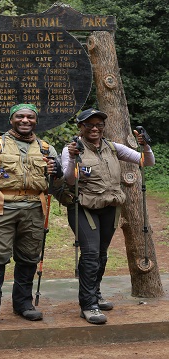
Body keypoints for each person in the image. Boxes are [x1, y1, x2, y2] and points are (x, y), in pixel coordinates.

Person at [0, 103, 63, 330]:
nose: (25, 120)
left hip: (34, 208)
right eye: (20, 116)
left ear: (36, 121)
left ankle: (23, 303)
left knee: (29, 256)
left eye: (30, 117)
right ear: (11, 119)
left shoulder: (47, 148)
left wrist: (57, 171)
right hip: (1, 206)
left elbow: (57, 183)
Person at [61, 108, 155, 325]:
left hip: (110, 206)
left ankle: (95, 292)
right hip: (83, 207)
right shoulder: (72, 149)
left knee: (101, 254)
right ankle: (88, 305)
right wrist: (74, 159)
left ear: (103, 127)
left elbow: (145, 162)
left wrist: (146, 144)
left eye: (99, 125)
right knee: (91, 253)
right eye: (89, 125)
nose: (94, 128)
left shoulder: (112, 147)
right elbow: (69, 180)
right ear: (80, 127)